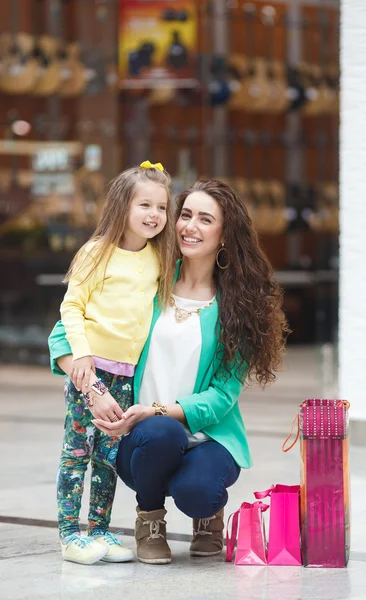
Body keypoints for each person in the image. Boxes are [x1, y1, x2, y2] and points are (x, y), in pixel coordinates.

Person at [49, 179, 288, 565]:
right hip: (146, 436)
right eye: (185, 215)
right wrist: (93, 387)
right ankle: (150, 519)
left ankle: (208, 517)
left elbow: (221, 398)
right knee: (160, 433)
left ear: (225, 234)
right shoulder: (152, 276)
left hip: (208, 436)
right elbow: (63, 336)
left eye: (205, 219)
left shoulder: (240, 305)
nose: (189, 226)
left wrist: (159, 408)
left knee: (198, 491)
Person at [52, 161, 175, 565]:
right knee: (77, 452)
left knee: (107, 456)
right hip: (90, 370)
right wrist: (81, 355)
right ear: (123, 205)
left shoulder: (158, 259)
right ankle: (71, 535)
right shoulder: (96, 252)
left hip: (127, 376)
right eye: (144, 205)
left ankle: (100, 531)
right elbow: (72, 306)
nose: (154, 215)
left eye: (161, 207)